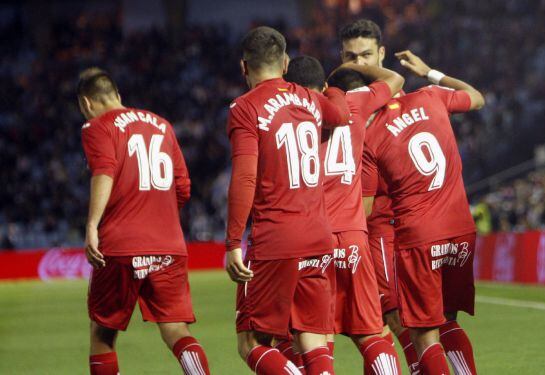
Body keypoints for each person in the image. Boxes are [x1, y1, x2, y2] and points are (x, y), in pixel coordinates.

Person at [224, 27, 350, 375]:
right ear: (285, 62)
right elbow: (340, 115)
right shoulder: (310, 99)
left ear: (243, 67)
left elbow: (246, 177)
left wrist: (234, 241)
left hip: (277, 238)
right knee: (311, 335)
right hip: (318, 235)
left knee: (251, 342)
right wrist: (334, 88)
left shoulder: (245, 108)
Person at [77, 67, 210, 375]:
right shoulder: (162, 125)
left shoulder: (96, 126)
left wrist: (92, 224)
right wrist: (158, 218)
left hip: (121, 245)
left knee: (103, 335)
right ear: (118, 96)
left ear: (87, 103)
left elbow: (104, 171)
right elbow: (183, 187)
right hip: (168, 244)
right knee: (177, 330)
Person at [362, 50, 485, 375]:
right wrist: (431, 72)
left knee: (423, 333)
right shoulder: (430, 97)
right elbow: (476, 97)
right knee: (448, 321)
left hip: (418, 237)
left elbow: (366, 208)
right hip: (461, 230)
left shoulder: (371, 135)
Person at [285, 54, 405, 374]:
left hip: (312, 237)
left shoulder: (288, 117)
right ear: (324, 85)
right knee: (370, 330)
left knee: (311, 334)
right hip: (353, 236)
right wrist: (354, 67)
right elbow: (395, 80)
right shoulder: (354, 105)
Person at [337, 18, 411, 370]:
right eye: (351, 56)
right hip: (356, 228)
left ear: (382, 53)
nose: (359, 64)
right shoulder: (337, 101)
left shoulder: (404, 104)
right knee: (371, 325)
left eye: (366, 55)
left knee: (393, 317)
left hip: (387, 223)